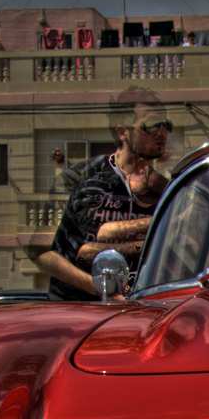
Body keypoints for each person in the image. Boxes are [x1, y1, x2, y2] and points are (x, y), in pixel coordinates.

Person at [38, 101, 173, 300]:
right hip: (78, 309)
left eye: (166, 126)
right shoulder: (88, 177)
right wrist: (104, 290)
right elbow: (73, 253)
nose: (162, 133)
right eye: (151, 125)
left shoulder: (161, 189)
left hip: (135, 311)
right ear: (122, 132)